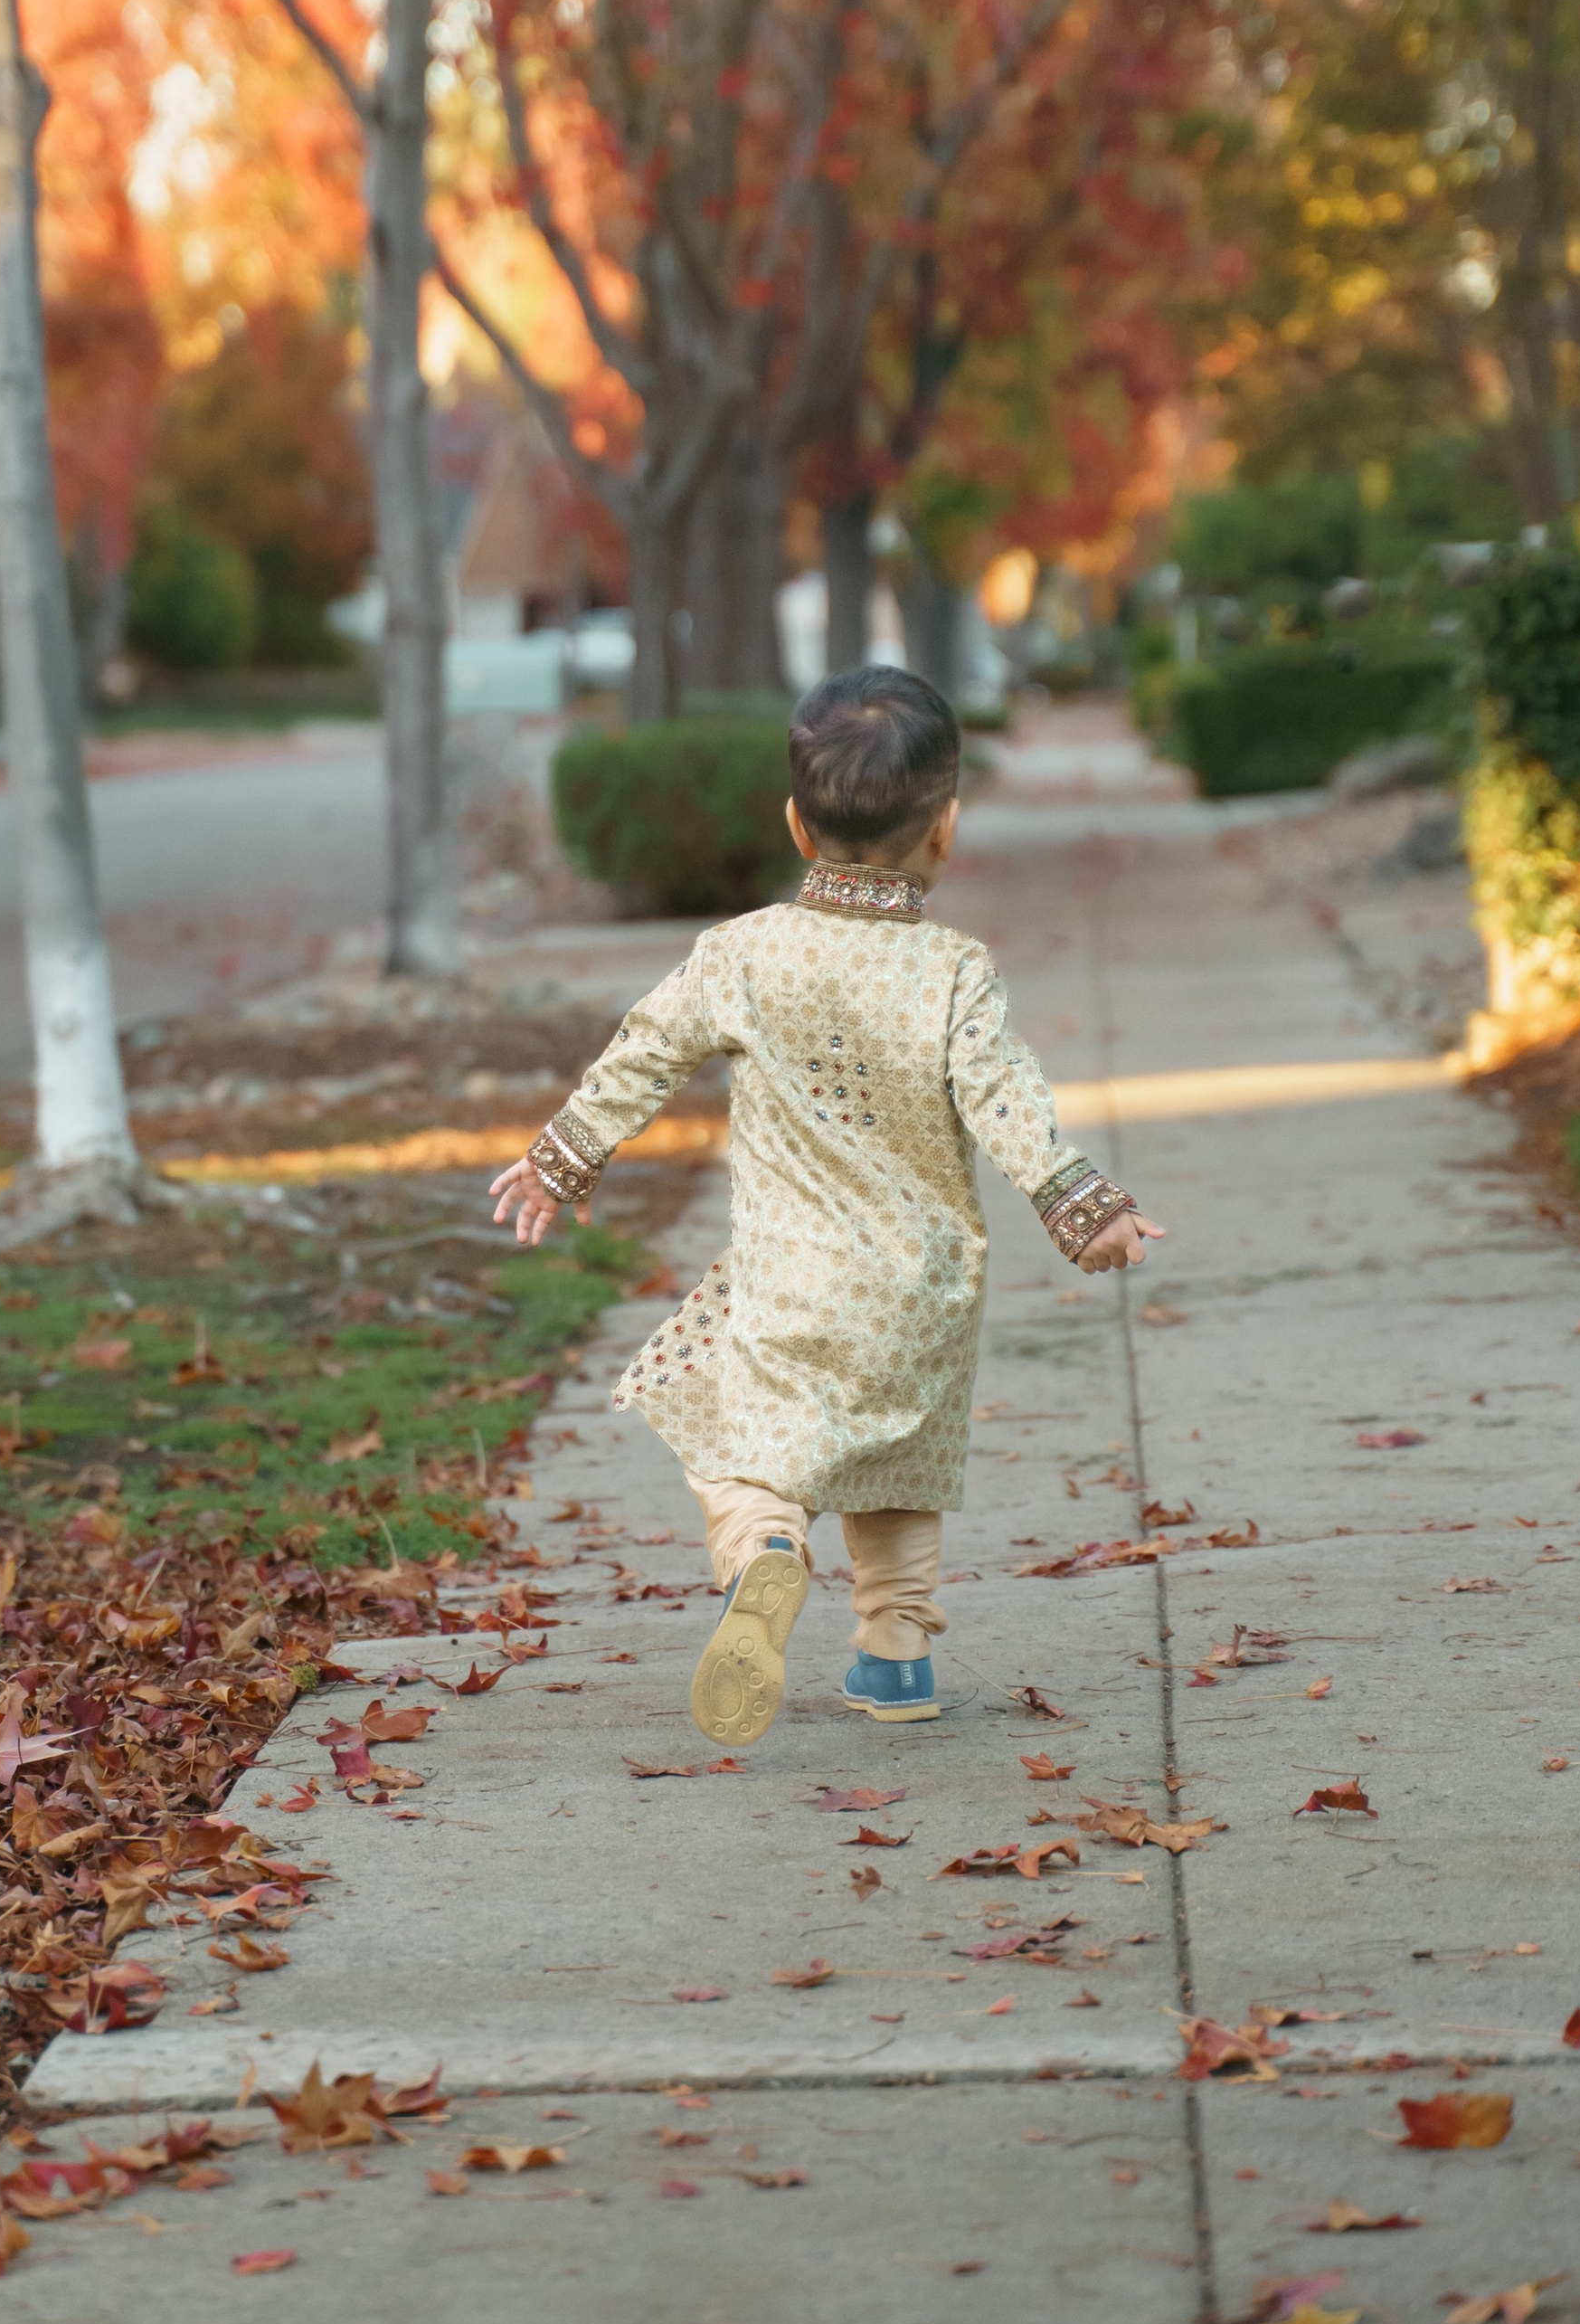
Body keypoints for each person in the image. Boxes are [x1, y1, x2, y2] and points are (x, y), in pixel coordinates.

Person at [488, 663, 1163, 1744]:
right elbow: (1005, 1100)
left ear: (796, 826)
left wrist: (564, 1156)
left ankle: (764, 1545)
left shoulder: (742, 953)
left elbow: (645, 1050)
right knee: (898, 1470)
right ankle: (897, 1658)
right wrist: (1081, 1208)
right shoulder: (955, 971)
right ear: (945, 831)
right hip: (922, 1289)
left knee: (735, 1443)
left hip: (789, 1279)